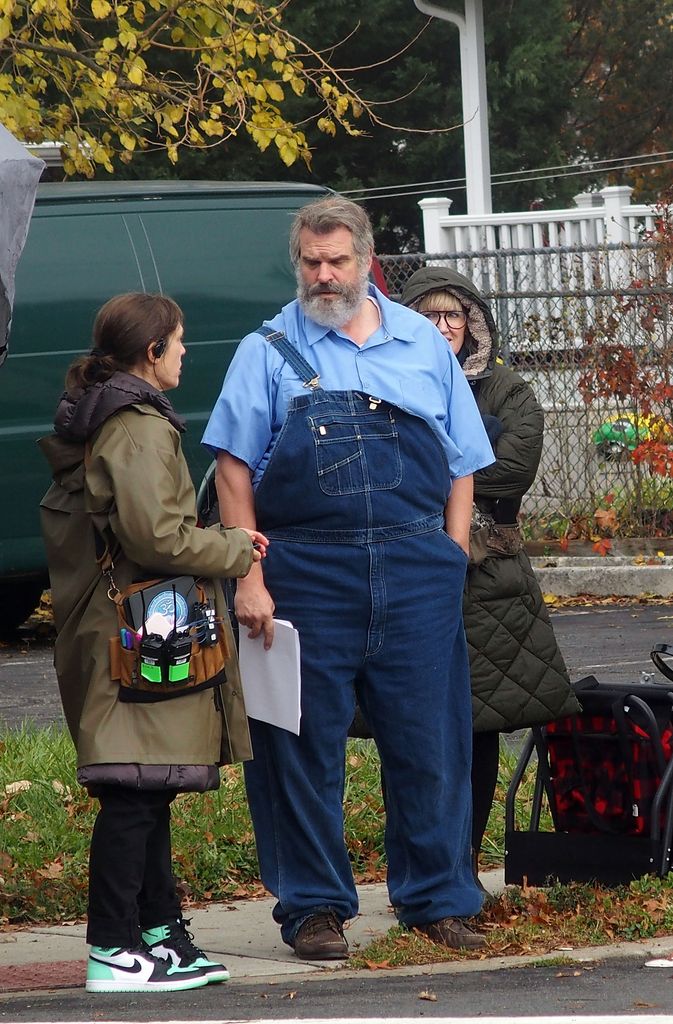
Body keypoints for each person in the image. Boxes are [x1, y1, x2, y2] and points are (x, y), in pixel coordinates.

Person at [202, 196, 495, 960]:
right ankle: (313, 908)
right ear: (296, 262)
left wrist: (449, 554)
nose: (324, 275)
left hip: (415, 566)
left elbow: (460, 461)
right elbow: (233, 470)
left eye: (337, 261)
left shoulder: (423, 347)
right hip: (301, 570)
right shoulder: (265, 348)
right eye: (310, 262)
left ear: (368, 262)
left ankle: (437, 899)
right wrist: (249, 577)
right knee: (297, 748)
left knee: (429, 741)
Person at [39, 292, 269, 994]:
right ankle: (114, 947)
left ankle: (160, 933)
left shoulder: (113, 413)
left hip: (123, 628)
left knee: (148, 785)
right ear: (151, 352)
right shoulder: (137, 426)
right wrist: (232, 546)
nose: (185, 351)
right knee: (133, 793)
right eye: (179, 341)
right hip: (136, 633)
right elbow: (154, 536)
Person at [400, 267, 580, 882]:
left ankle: (466, 863)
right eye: (430, 315)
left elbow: (512, 468)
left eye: (454, 315)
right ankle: (425, 861)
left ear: (474, 324)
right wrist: (466, 455)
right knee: (417, 725)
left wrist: (433, 469)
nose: (444, 326)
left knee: (477, 729)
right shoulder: (390, 381)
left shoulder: (506, 389)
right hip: (409, 568)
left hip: (491, 582)